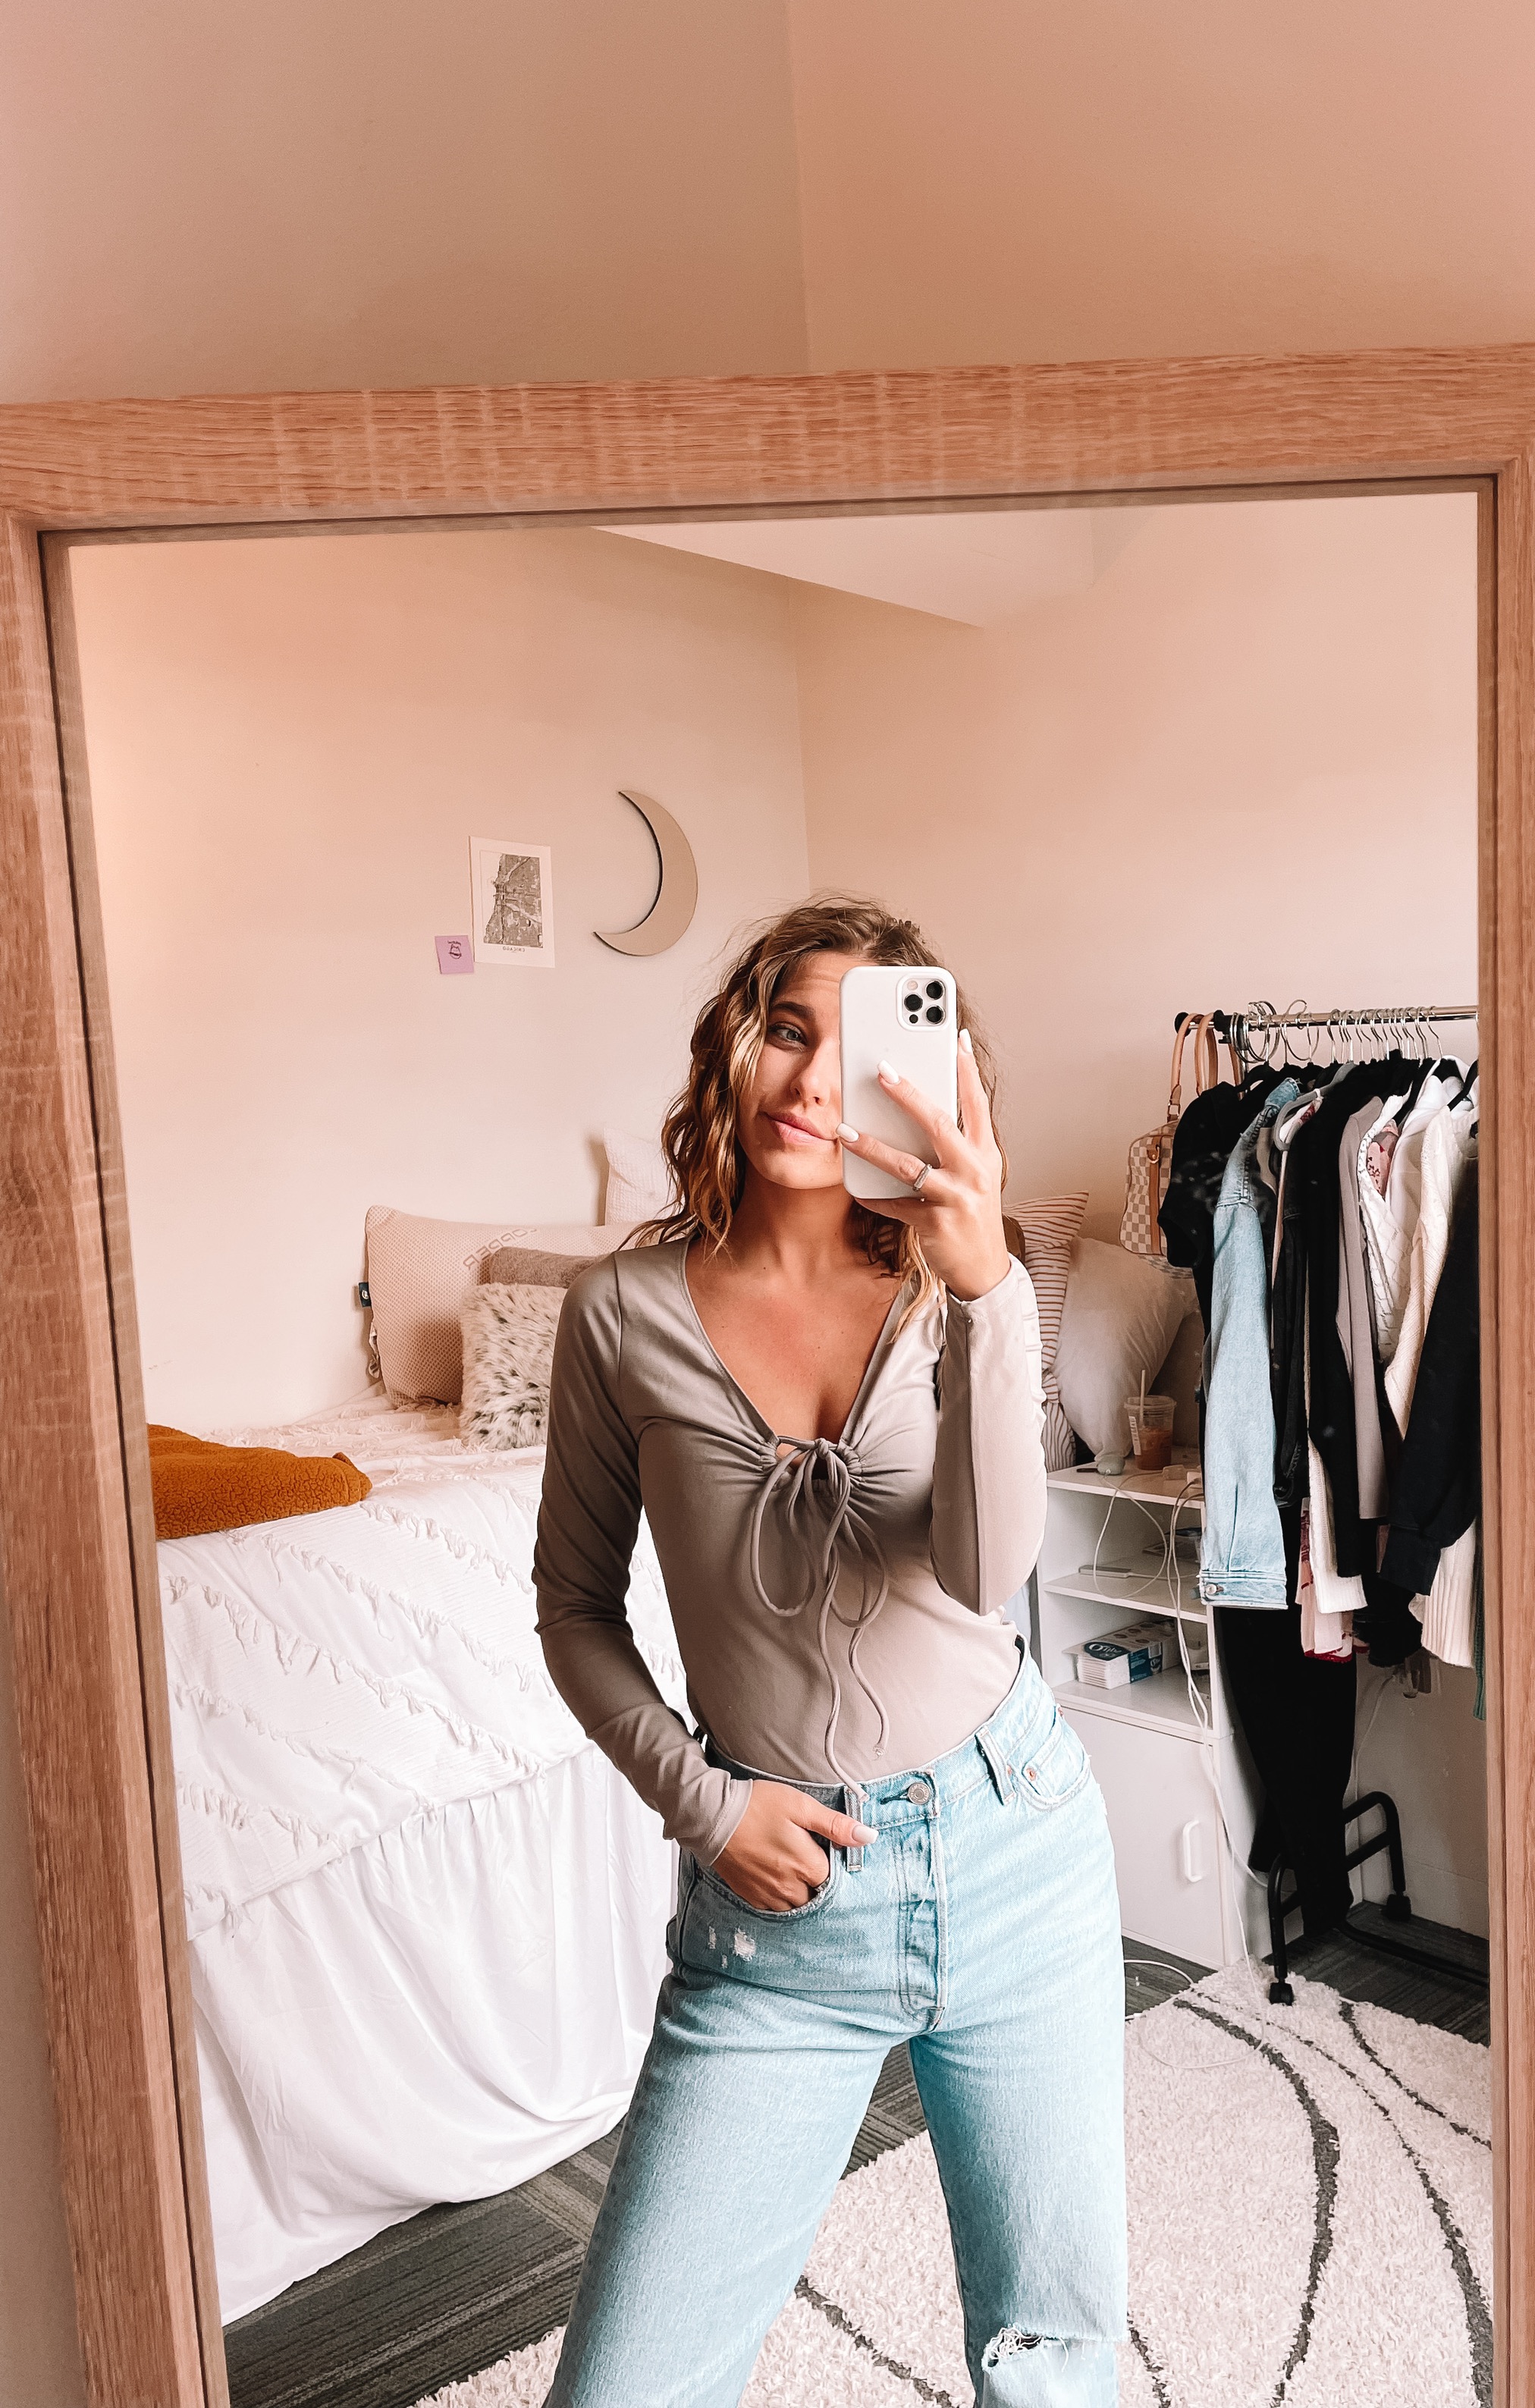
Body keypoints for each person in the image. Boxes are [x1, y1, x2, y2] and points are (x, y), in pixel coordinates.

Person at [534, 896, 1128, 2406]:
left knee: (1050, 2363)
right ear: (733, 1048)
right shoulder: (616, 1315)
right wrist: (705, 1805)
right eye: (785, 1029)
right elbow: (574, 1610)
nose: (809, 1079)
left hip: (1017, 1847)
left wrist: (987, 1290)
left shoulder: (952, 1284)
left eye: (854, 1045)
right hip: (776, 1923)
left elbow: (987, 1576)